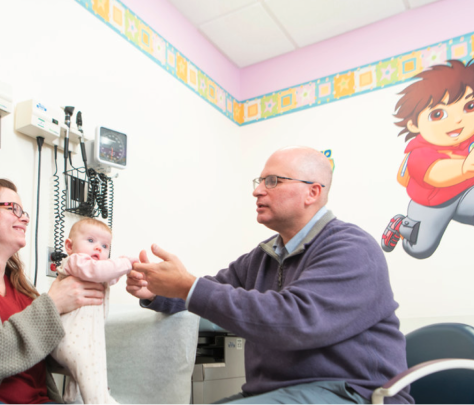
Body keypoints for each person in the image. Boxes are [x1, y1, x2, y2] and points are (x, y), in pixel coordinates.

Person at [127, 146, 413, 405]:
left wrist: (188, 286)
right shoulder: (262, 257)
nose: (258, 191)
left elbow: (295, 321)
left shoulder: (351, 248)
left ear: (312, 192)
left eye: (273, 181)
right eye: (260, 181)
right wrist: (158, 291)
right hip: (276, 392)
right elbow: (209, 291)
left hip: (352, 393)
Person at [0, 179, 106, 405]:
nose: (24, 217)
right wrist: (52, 305)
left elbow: (47, 356)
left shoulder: (23, 288)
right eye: (13, 208)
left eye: (23, 211)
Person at [381, 59, 474, 259]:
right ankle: (402, 225)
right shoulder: (420, 152)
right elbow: (435, 174)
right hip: (432, 203)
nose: (458, 119)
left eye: (469, 106)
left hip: (466, 192)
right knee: (417, 248)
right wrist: (465, 168)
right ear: (414, 125)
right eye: (438, 114)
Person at [51, 218, 136, 405]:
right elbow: (98, 270)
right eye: (91, 241)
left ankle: (72, 400)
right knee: (94, 378)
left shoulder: (98, 272)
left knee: (84, 376)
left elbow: (109, 275)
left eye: (104, 245)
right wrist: (125, 263)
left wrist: (133, 270)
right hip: (70, 339)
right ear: (69, 246)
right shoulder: (76, 262)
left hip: (86, 339)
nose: (98, 248)